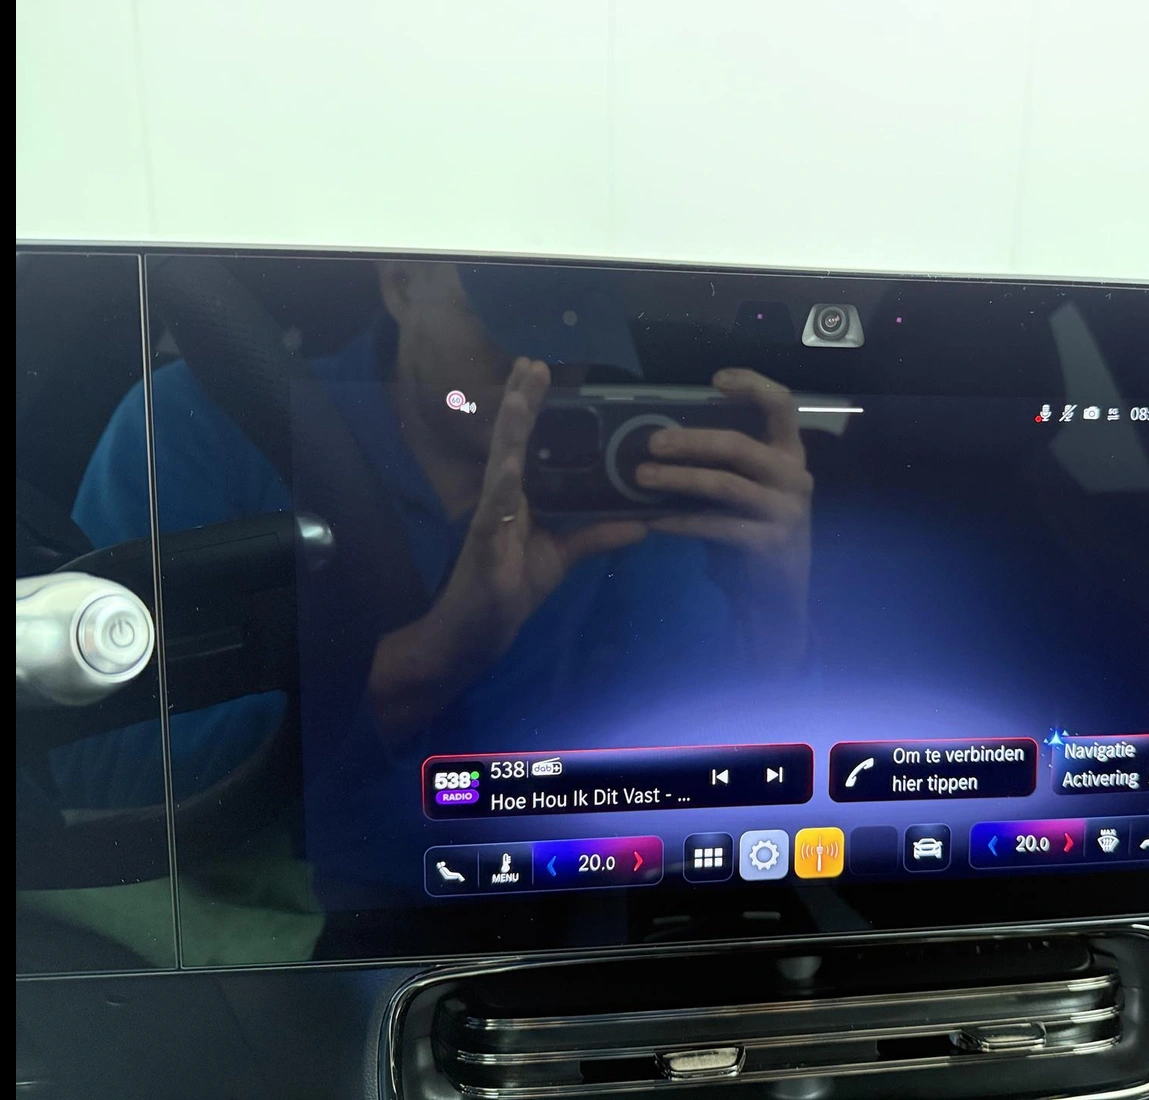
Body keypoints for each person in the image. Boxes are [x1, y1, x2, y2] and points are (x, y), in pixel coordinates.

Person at [66, 260, 815, 828]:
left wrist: (776, 606)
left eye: (574, 343)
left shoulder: (625, 486)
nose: (540, 377)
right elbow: (93, 771)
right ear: (400, 283)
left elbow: (712, 769)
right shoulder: (204, 424)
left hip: (547, 911)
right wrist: (430, 659)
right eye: (509, 333)